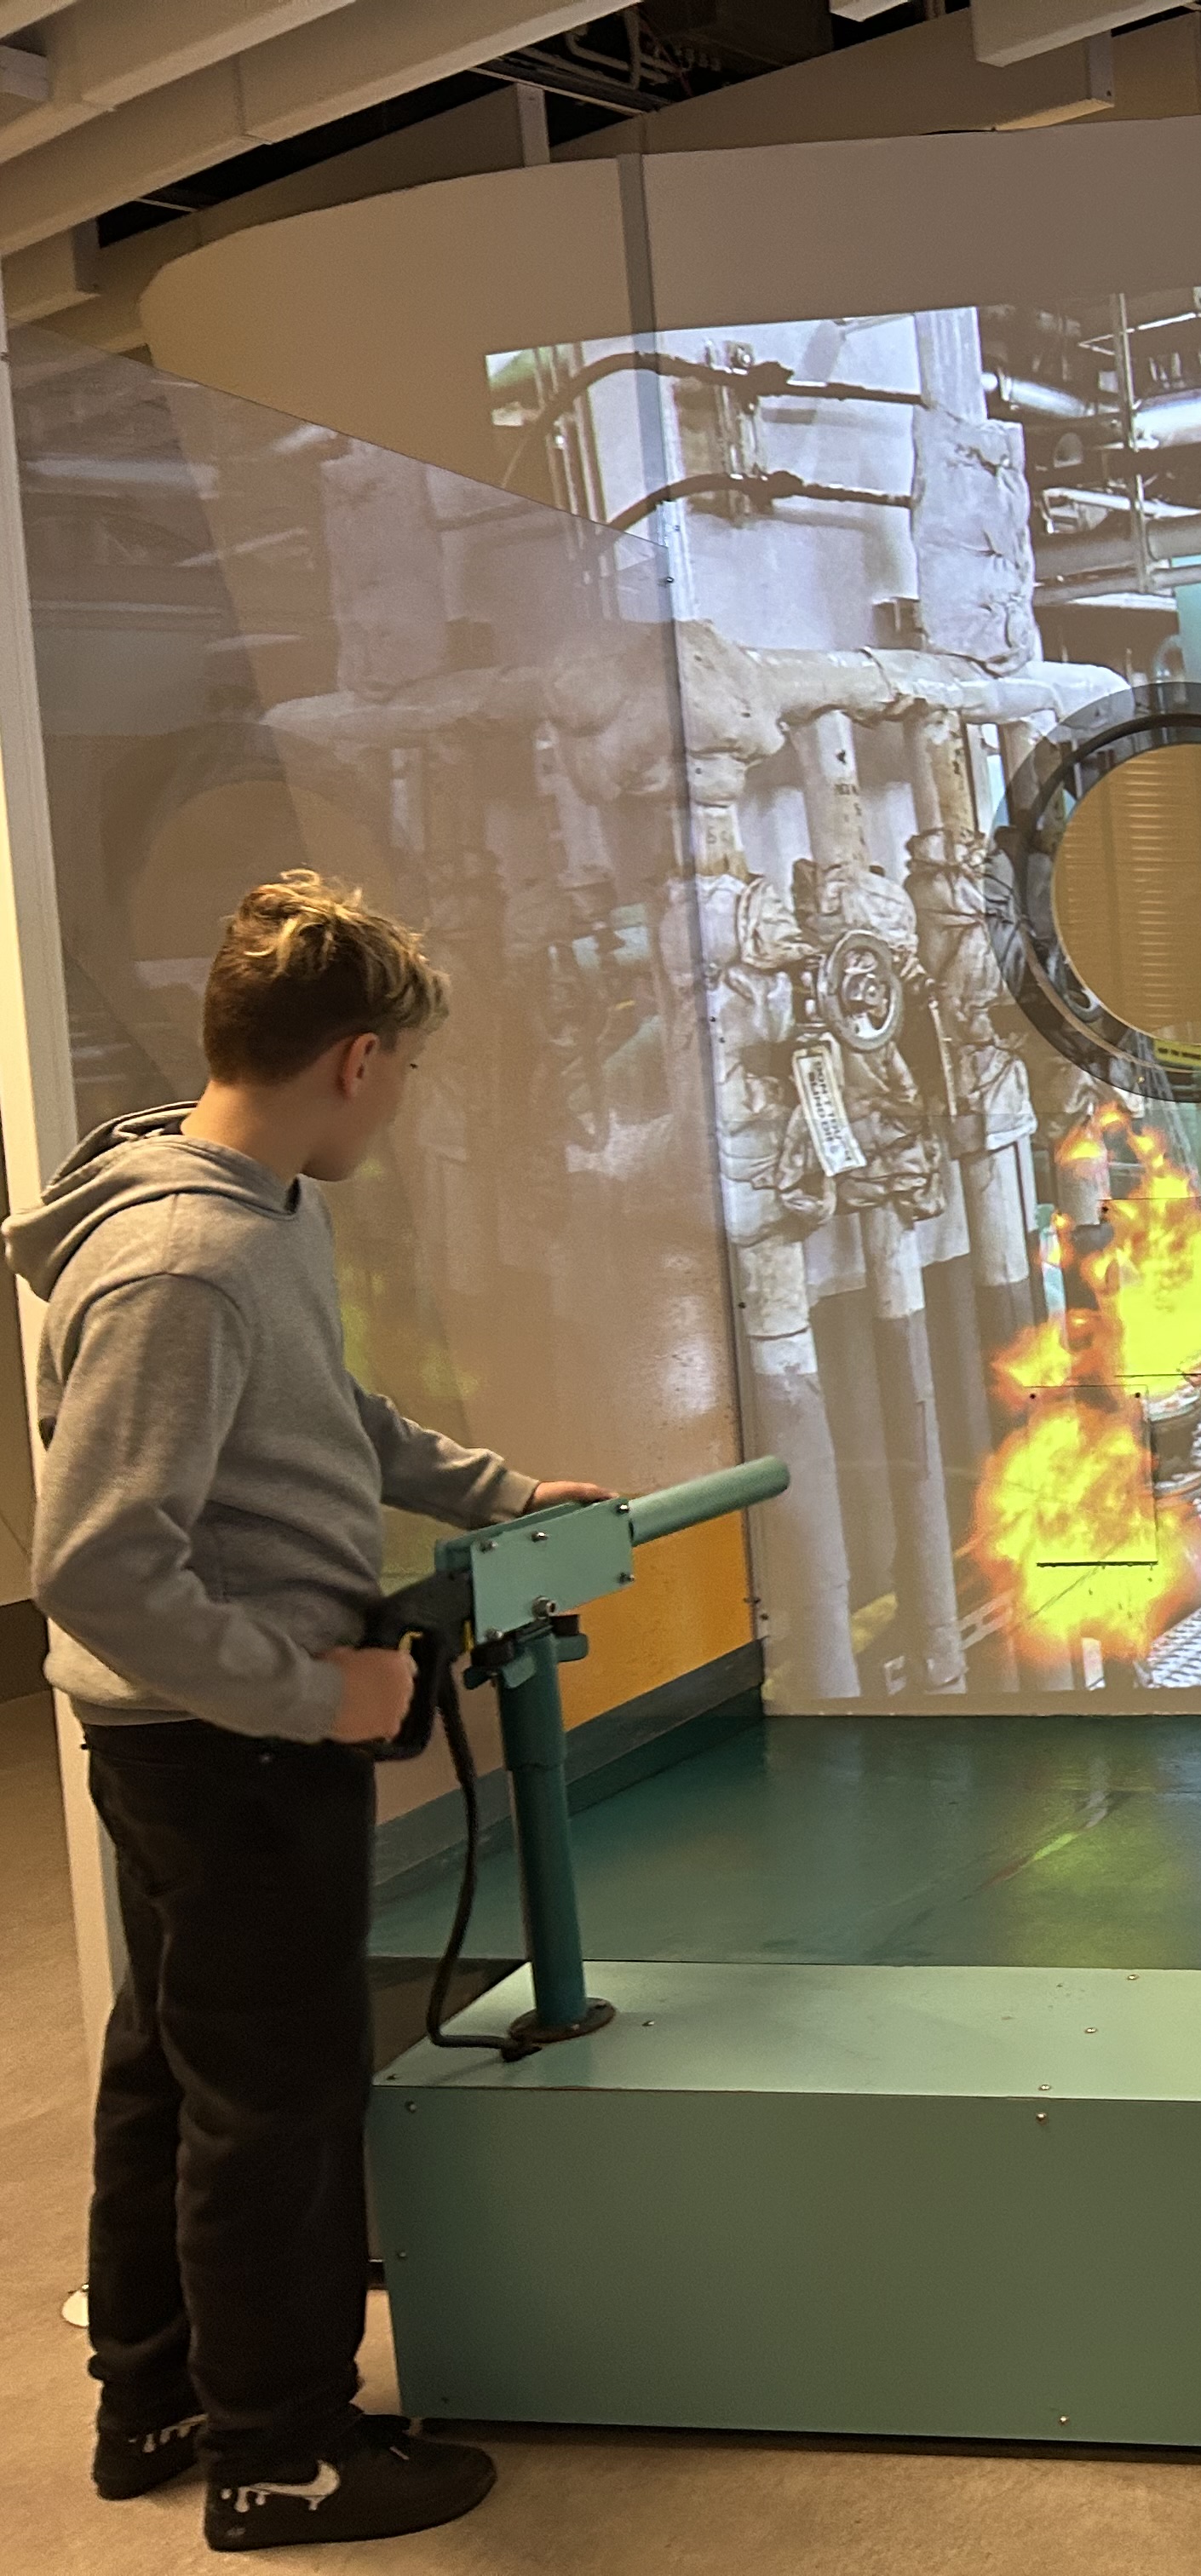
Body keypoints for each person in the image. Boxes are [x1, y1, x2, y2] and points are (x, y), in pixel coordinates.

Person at [9, 874, 609, 2553]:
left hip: (207, 1736)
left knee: (174, 2063)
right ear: (357, 1059)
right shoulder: (185, 1263)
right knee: (273, 2098)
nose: (400, 1102)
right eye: (403, 1069)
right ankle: (282, 2454)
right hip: (231, 1747)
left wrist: (491, 1490)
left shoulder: (249, 1206)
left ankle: (157, 2398)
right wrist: (320, 1694)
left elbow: (319, 1408)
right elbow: (96, 1564)